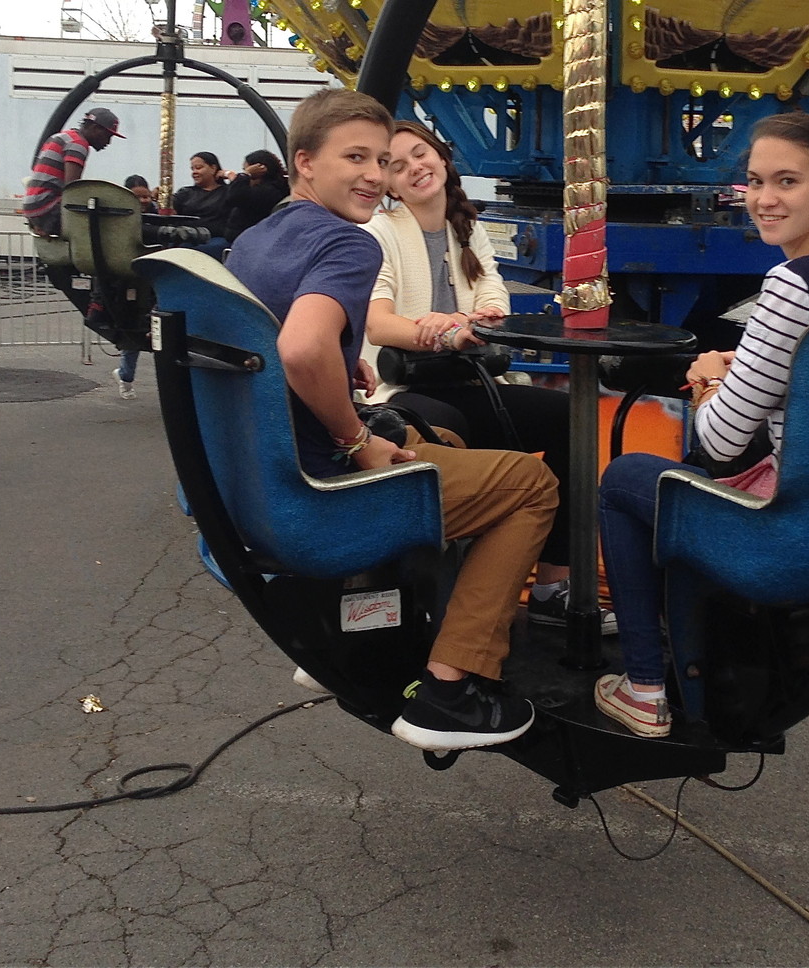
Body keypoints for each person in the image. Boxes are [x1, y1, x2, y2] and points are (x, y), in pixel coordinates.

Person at [223, 88, 558, 752]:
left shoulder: (254, 242)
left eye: (381, 160)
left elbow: (277, 344)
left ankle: (369, 629)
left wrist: (342, 368)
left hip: (248, 486)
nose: (375, 176)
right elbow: (300, 348)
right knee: (530, 486)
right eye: (357, 157)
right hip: (315, 495)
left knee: (437, 436)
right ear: (306, 161)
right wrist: (354, 440)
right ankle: (451, 687)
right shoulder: (350, 245)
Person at [592, 112, 809, 738]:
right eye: (756, 182)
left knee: (627, 479)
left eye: (787, 182)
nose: (765, 200)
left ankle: (644, 685)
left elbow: (719, 442)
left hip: (795, 530)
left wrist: (712, 376)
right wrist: (758, 369)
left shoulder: (794, 284)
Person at [362, 122, 610, 633]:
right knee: (449, 431)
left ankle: (550, 585)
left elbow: (492, 292)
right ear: (389, 184)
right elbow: (378, 321)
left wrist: (478, 318)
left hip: (466, 378)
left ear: (442, 156)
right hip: (408, 385)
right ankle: (442, 597)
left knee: (567, 419)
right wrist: (436, 331)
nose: (415, 168)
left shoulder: (465, 227)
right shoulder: (379, 232)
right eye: (399, 165)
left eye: (421, 154)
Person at [22, 108, 124, 236]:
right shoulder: (78, 144)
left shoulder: (61, 136)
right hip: (47, 209)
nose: (108, 142)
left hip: (32, 206)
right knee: (105, 228)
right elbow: (72, 190)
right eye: (107, 136)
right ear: (94, 128)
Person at [109, 174, 158, 399]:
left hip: (152, 275)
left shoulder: (157, 212)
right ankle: (126, 377)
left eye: (146, 196)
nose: (144, 201)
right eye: (137, 197)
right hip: (130, 277)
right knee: (134, 331)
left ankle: (127, 376)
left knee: (155, 332)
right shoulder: (120, 216)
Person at [217, 149, 291, 243]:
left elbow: (234, 197)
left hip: (249, 241)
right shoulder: (262, 188)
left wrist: (245, 175)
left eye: (247, 169)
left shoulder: (270, 191)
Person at [171, 152, 233, 228]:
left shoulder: (227, 192)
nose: (194, 172)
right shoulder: (185, 192)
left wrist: (229, 174)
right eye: (192, 169)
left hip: (215, 237)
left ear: (213, 168)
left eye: (198, 168)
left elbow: (242, 192)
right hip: (187, 235)